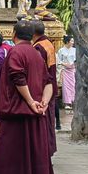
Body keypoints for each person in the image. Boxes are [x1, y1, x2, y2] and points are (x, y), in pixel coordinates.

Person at [0, 20, 55, 174]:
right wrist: (43, 103)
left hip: (16, 112)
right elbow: (49, 81)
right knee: (30, 153)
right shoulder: (37, 53)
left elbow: (17, 77)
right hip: (35, 113)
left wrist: (30, 101)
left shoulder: (15, 52)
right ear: (31, 36)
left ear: (14, 33)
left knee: (8, 155)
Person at [32, 20, 58, 152]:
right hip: (51, 87)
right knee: (49, 122)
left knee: (44, 123)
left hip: (44, 90)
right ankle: (48, 150)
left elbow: (39, 71)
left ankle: (45, 151)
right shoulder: (48, 44)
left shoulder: (39, 47)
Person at [57, 35, 76, 111]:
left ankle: (73, 101)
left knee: (73, 86)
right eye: (71, 41)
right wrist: (64, 64)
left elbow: (77, 59)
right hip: (65, 70)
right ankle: (67, 103)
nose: (72, 42)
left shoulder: (75, 50)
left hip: (73, 70)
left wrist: (73, 64)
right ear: (67, 41)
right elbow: (58, 61)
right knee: (66, 87)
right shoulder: (61, 50)